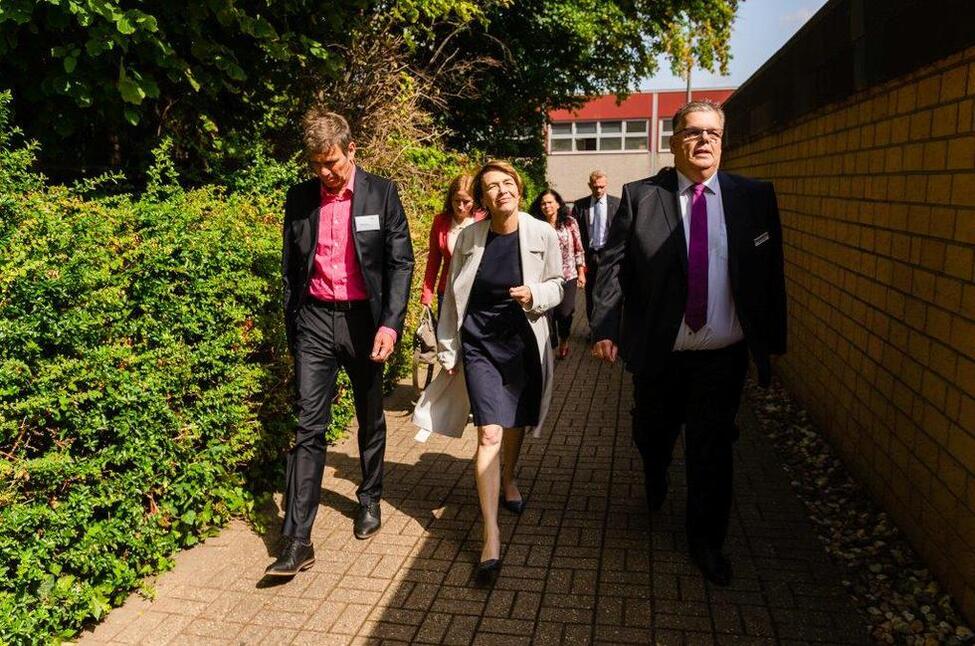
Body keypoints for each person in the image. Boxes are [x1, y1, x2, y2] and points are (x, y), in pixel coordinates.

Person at [590, 100, 787, 587]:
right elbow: (613, 267)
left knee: (712, 450)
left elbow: (769, 275)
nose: (704, 141)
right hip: (661, 354)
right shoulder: (641, 197)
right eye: (693, 132)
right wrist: (606, 326)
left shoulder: (754, 197)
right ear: (674, 140)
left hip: (723, 356)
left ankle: (707, 542)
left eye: (713, 133)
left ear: (723, 141)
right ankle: (655, 471)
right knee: (652, 436)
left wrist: (772, 345)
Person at [267, 108, 414, 577]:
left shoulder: (381, 193)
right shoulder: (300, 198)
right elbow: (293, 264)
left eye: (332, 163)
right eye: (316, 165)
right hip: (314, 319)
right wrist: (294, 319)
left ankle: (369, 497)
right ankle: (297, 541)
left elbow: (400, 264)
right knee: (309, 425)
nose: (325, 173)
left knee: (370, 416)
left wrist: (390, 325)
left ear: (352, 150)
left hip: (363, 322)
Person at [412, 160, 563, 585]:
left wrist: (535, 293)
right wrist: (448, 347)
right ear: (482, 200)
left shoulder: (542, 233)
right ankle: (490, 533)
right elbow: (451, 296)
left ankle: (509, 477)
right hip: (479, 343)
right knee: (489, 431)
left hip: (521, 343)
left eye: (507, 183)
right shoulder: (468, 238)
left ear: (518, 187)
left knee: (514, 423)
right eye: (491, 187)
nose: (501, 191)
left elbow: (559, 284)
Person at [529, 188, 585, 359]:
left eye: (549, 202)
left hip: (568, 274)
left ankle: (564, 340)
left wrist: (581, 272)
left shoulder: (569, 222)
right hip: (545, 276)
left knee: (565, 312)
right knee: (549, 312)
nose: (546, 206)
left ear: (558, 204)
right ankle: (550, 345)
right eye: (543, 203)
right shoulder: (536, 224)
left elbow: (578, 248)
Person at [420, 173, 486, 313]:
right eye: (457, 201)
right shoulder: (440, 221)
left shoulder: (484, 221)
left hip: (477, 293)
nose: (461, 206)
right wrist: (426, 296)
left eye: (466, 201)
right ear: (450, 199)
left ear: (475, 201)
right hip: (447, 292)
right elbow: (433, 261)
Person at [571, 170, 620, 330]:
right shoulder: (580, 206)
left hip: (609, 256)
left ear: (606, 185)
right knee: (590, 294)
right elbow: (575, 235)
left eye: (602, 187)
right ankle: (593, 329)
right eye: (595, 187)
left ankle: (610, 329)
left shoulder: (617, 204)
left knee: (610, 293)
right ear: (589, 185)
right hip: (589, 256)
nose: (598, 190)